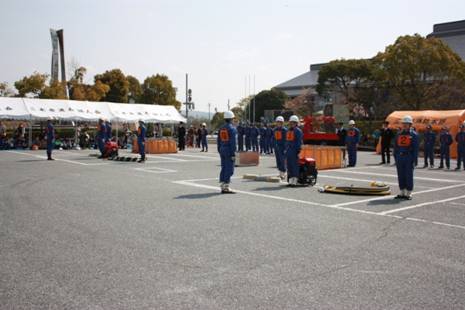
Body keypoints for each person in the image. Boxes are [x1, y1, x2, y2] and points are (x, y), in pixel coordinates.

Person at [394, 115, 418, 200]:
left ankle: (409, 192)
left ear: (410, 124)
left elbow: (415, 149)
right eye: (403, 123)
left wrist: (415, 160)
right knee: (400, 174)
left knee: (408, 175)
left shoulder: (414, 135)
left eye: (407, 124)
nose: (404, 125)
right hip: (400, 157)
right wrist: (395, 158)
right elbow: (396, 147)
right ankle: (402, 191)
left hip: (409, 156)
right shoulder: (398, 134)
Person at [217, 111, 237, 194]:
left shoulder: (221, 128)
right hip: (229, 150)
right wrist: (233, 153)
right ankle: (226, 186)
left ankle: (222, 183)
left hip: (222, 149)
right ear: (232, 119)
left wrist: (219, 149)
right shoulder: (232, 128)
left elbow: (219, 140)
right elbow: (233, 142)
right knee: (229, 168)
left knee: (224, 167)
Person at [285, 115, 303, 187]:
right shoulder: (288, 130)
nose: (292, 124)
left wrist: (298, 150)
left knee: (294, 165)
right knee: (289, 165)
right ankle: (290, 180)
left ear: (296, 123)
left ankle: (295, 180)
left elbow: (299, 142)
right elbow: (287, 140)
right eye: (291, 122)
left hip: (294, 150)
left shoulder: (298, 131)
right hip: (289, 150)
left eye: (293, 122)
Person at [274, 116, 288, 180]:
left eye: (280, 122)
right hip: (277, 147)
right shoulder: (275, 129)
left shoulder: (284, 130)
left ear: (282, 123)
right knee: (278, 160)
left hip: (282, 147)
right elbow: (274, 138)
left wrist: (285, 148)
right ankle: (280, 173)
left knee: (283, 160)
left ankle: (283, 173)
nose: (278, 123)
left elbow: (286, 140)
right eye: (277, 122)